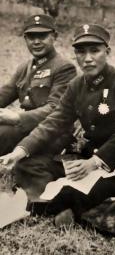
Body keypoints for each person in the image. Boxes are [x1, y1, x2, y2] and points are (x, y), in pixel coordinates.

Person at [0, 23, 115, 227]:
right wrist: (19, 151)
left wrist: (93, 163)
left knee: (73, 192)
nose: (88, 58)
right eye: (81, 52)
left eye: (95, 51)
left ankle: (72, 208)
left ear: (107, 52)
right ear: (76, 55)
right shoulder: (76, 86)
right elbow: (54, 122)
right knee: (28, 165)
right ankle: (63, 207)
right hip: (88, 159)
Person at [0, 14, 76, 155]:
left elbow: (56, 109)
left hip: (51, 131)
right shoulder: (24, 67)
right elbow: (5, 93)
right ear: (25, 39)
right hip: (28, 127)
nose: (36, 42)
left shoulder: (64, 67)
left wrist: (17, 117)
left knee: (2, 133)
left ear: (54, 36)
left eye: (42, 36)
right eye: (31, 37)